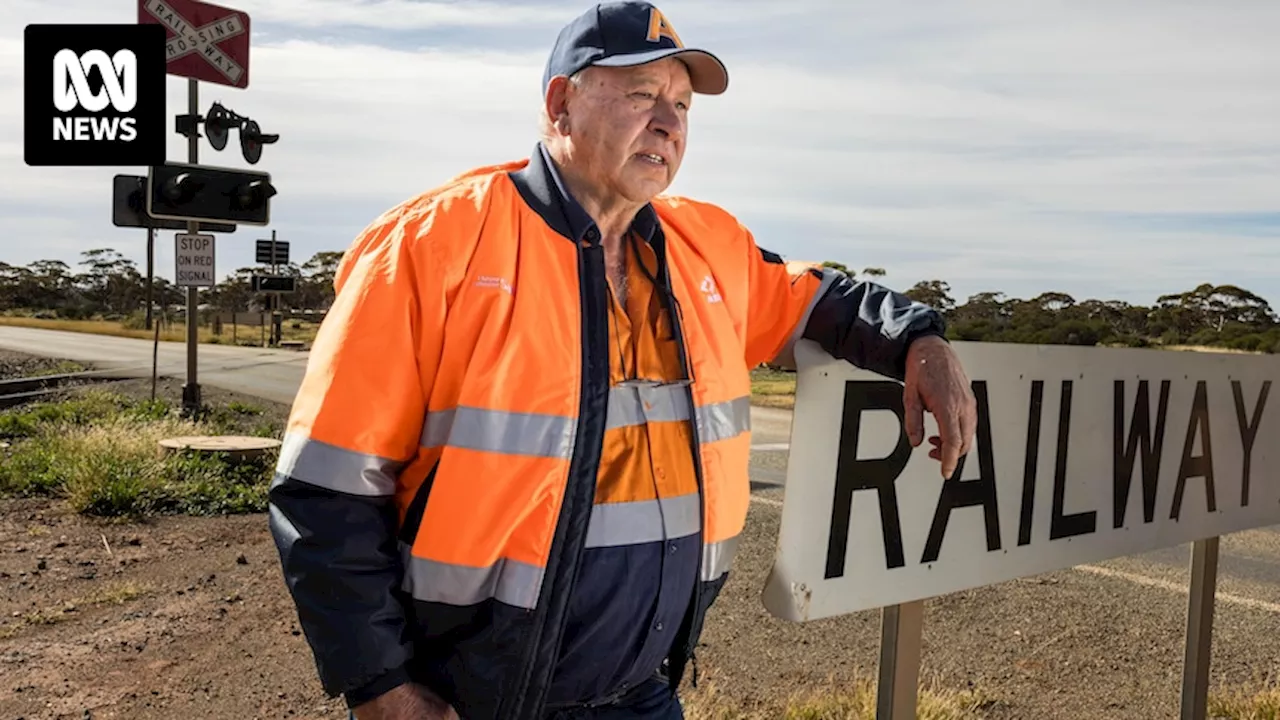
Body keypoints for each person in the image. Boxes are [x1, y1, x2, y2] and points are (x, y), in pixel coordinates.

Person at [267, 3, 978, 719]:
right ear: (560, 105)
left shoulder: (706, 248)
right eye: (641, 95)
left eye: (681, 104)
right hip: (471, 700)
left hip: (641, 693)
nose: (668, 123)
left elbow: (818, 302)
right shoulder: (432, 246)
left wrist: (922, 339)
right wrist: (380, 688)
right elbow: (326, 492)